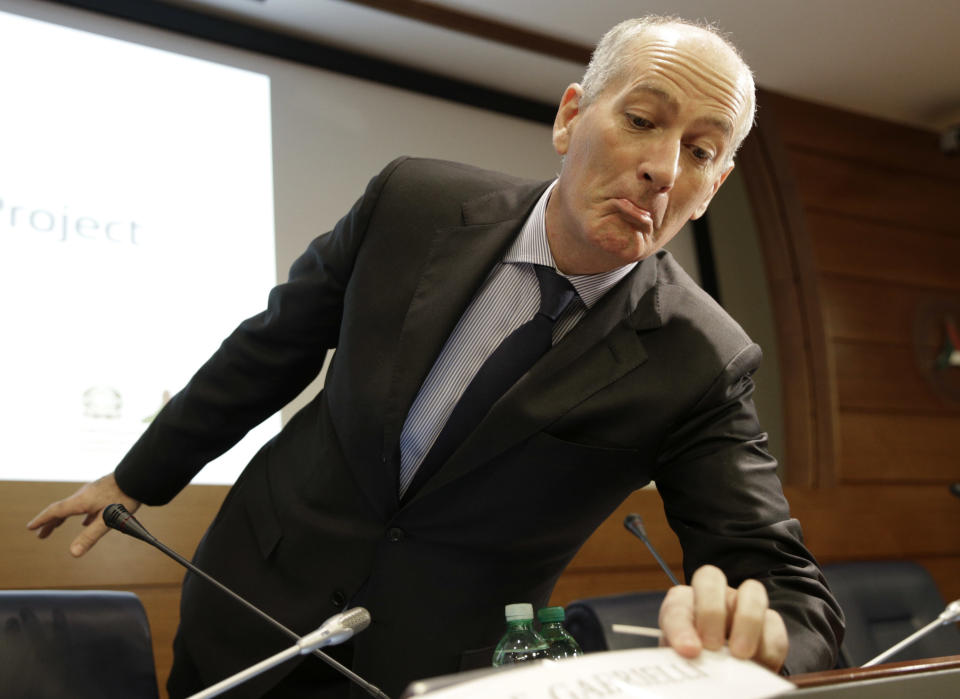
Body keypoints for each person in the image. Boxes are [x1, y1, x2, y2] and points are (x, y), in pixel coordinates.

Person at [28, 15, 843, 699]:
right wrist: (137, 476)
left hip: (433, 672)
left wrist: (770, 643)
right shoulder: (411, 204)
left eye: (701, 152)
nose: (664, 168)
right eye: (642, 119)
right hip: (251, 593)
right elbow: (270, 348)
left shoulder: (702, 358)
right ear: (571, 117)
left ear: (718, 181)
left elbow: (780, 576)